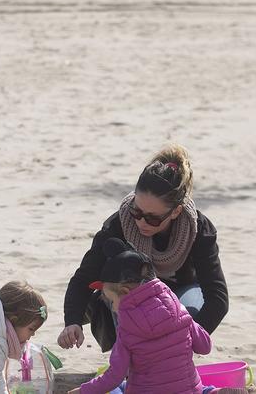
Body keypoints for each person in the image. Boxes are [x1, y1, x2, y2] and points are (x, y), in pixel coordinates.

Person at [58, 145, 228, 354]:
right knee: (124, 293)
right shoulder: (119, 224)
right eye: (136, 211)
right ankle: (131, 357)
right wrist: (72, 321)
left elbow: (217, 297)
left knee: (189, 310)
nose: (141, 221)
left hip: (181, 293)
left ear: (175, 212)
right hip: (134, 297)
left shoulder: (198, 230)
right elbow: (84, 278)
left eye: (153, 217)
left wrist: (185, 344)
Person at [67, 238, 217, 394]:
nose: (113, 307)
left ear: (125, 292)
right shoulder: (180, 311)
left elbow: (115, 376)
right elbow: (205, 347)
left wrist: (83, 391)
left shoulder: (127, 329)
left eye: (112, 301)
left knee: (116, 388)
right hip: (189, 391)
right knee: (202, 388)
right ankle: (212, 392)